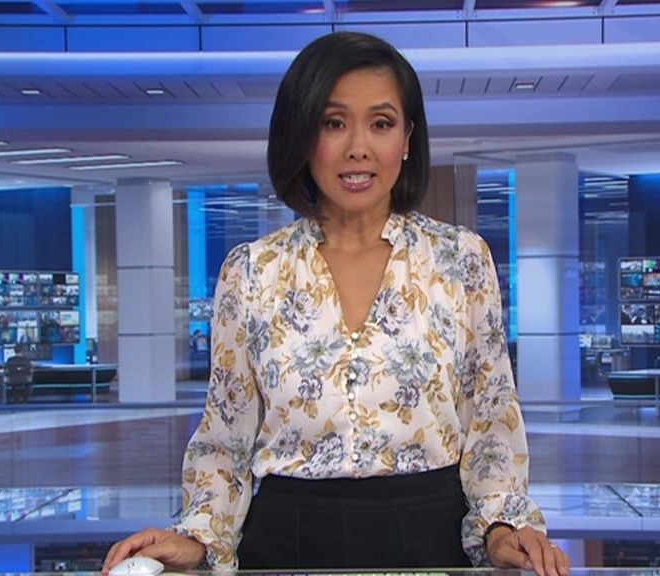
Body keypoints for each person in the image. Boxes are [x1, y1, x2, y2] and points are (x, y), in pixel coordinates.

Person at [102, 32, 568, 576]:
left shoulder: (460, 260)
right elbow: (225, 439)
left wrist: (502, 528)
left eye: (381, 123)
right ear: (302, 136)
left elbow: (491, 422)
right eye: (333, 123)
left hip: (428, 536)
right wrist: (197, 536)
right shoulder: (251, 271)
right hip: (286, 541)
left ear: (408, 138)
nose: (358, 148)